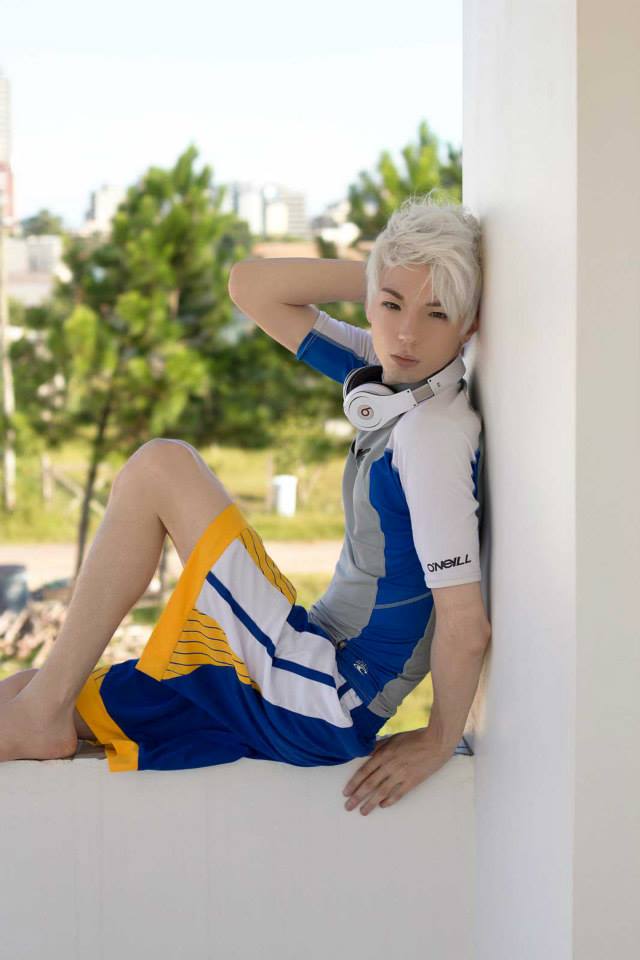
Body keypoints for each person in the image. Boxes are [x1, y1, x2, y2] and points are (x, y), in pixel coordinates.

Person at [0, 193, 491, 817]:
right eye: (391, 306)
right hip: (303, 653)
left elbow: (465, 622)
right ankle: (44, 713)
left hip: (329, 696)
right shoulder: (392, 371)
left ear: (469, 326)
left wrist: (440, 739)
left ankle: (43, 717)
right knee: (21, 691)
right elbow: (251, 287)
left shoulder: (432, 434)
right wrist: (389, 275)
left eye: (438, 312)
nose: (407, 333)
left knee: (161, 466)